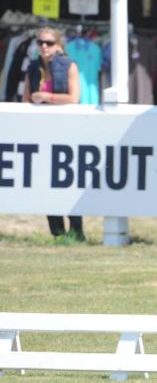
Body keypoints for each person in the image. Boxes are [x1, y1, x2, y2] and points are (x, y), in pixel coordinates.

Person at [22, 27, 86, 241]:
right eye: (40, 42)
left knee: (69, 180)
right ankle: (57, 232)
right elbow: (25, 99)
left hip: (67, 130)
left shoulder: (70, 66)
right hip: (42, 131)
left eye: (49, 42)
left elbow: (73, 97)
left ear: (58, 45)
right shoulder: (32, 67)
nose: (44, 46)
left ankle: (76, 230)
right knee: (45, 180)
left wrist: (46, 96)